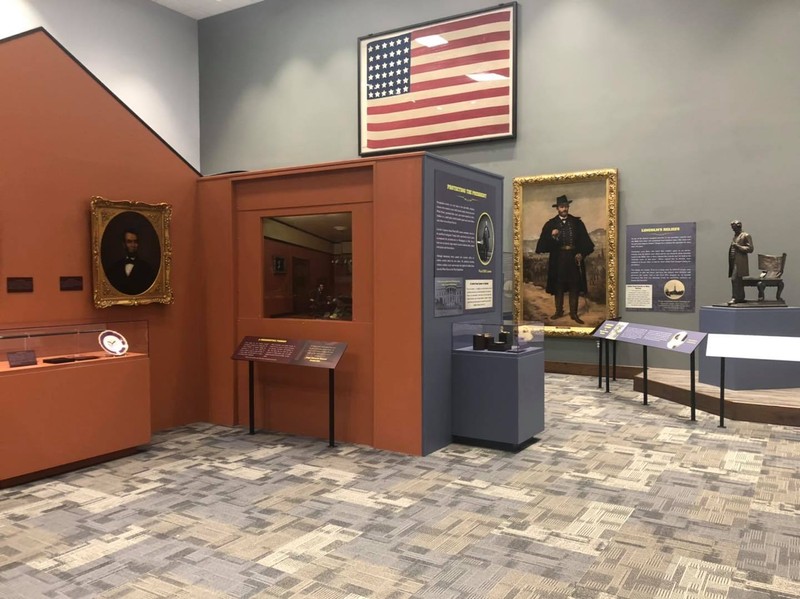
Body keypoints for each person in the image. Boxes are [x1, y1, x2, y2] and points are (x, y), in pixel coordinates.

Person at [535, 195, 594, 324]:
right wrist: (552, 236)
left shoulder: (577, 223)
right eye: (562, 206)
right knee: (558, 286)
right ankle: (558, 311)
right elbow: (542, 245)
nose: (564, 209)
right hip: (558, 259)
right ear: (557, 209)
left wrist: (581, 254)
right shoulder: (550, 224)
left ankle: (574, 314)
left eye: (566, 206)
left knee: (574, 286)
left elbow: (586, 243)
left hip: (573, 258)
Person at [105, 229, 157, 295]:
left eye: (135, 242)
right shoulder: (114, 268)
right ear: (124, 244)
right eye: (129, 242)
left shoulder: (147, 268)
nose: (133, 245)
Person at [727, 219, 754, 305]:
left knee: (734, 279)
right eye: (732, 228)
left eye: (734, 228)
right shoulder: (735, 236)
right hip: (734, 260)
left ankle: (735, 297)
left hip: (740, 261)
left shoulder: (746, 235)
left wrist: (738, 246)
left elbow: (750, 249)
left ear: (738, 227)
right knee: (737, 280)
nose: (733, 229)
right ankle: (740, 297)